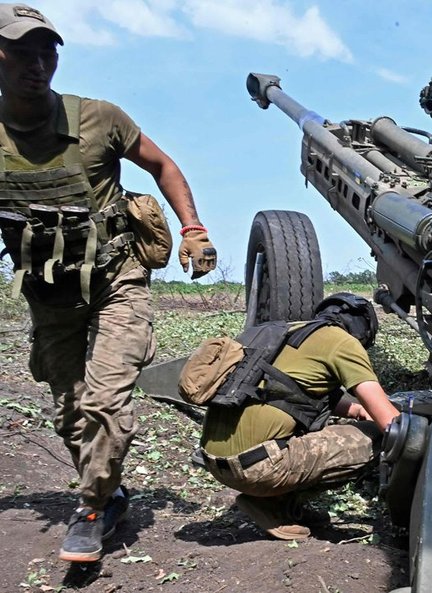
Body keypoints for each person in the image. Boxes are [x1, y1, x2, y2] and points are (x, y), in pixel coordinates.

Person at [0, 4, 217, 562]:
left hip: (118, 278)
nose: (38, 64)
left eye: (47, 51)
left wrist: (193, 229)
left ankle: (92, 508)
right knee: (70, 407)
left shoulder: (99, 119)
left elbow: (162, 165)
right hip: (48, 293)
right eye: (21, 52)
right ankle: (112, 492)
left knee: (105, 401)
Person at [198, 294, 401, 540]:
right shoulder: (343, 342)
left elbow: (289, 390)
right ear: (363, 330)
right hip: (258, 468)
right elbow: (392, 424)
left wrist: (357, 409)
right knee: (381, 437)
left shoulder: (285, 332)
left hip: (215, 462)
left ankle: (273, 498)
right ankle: (272, 502)